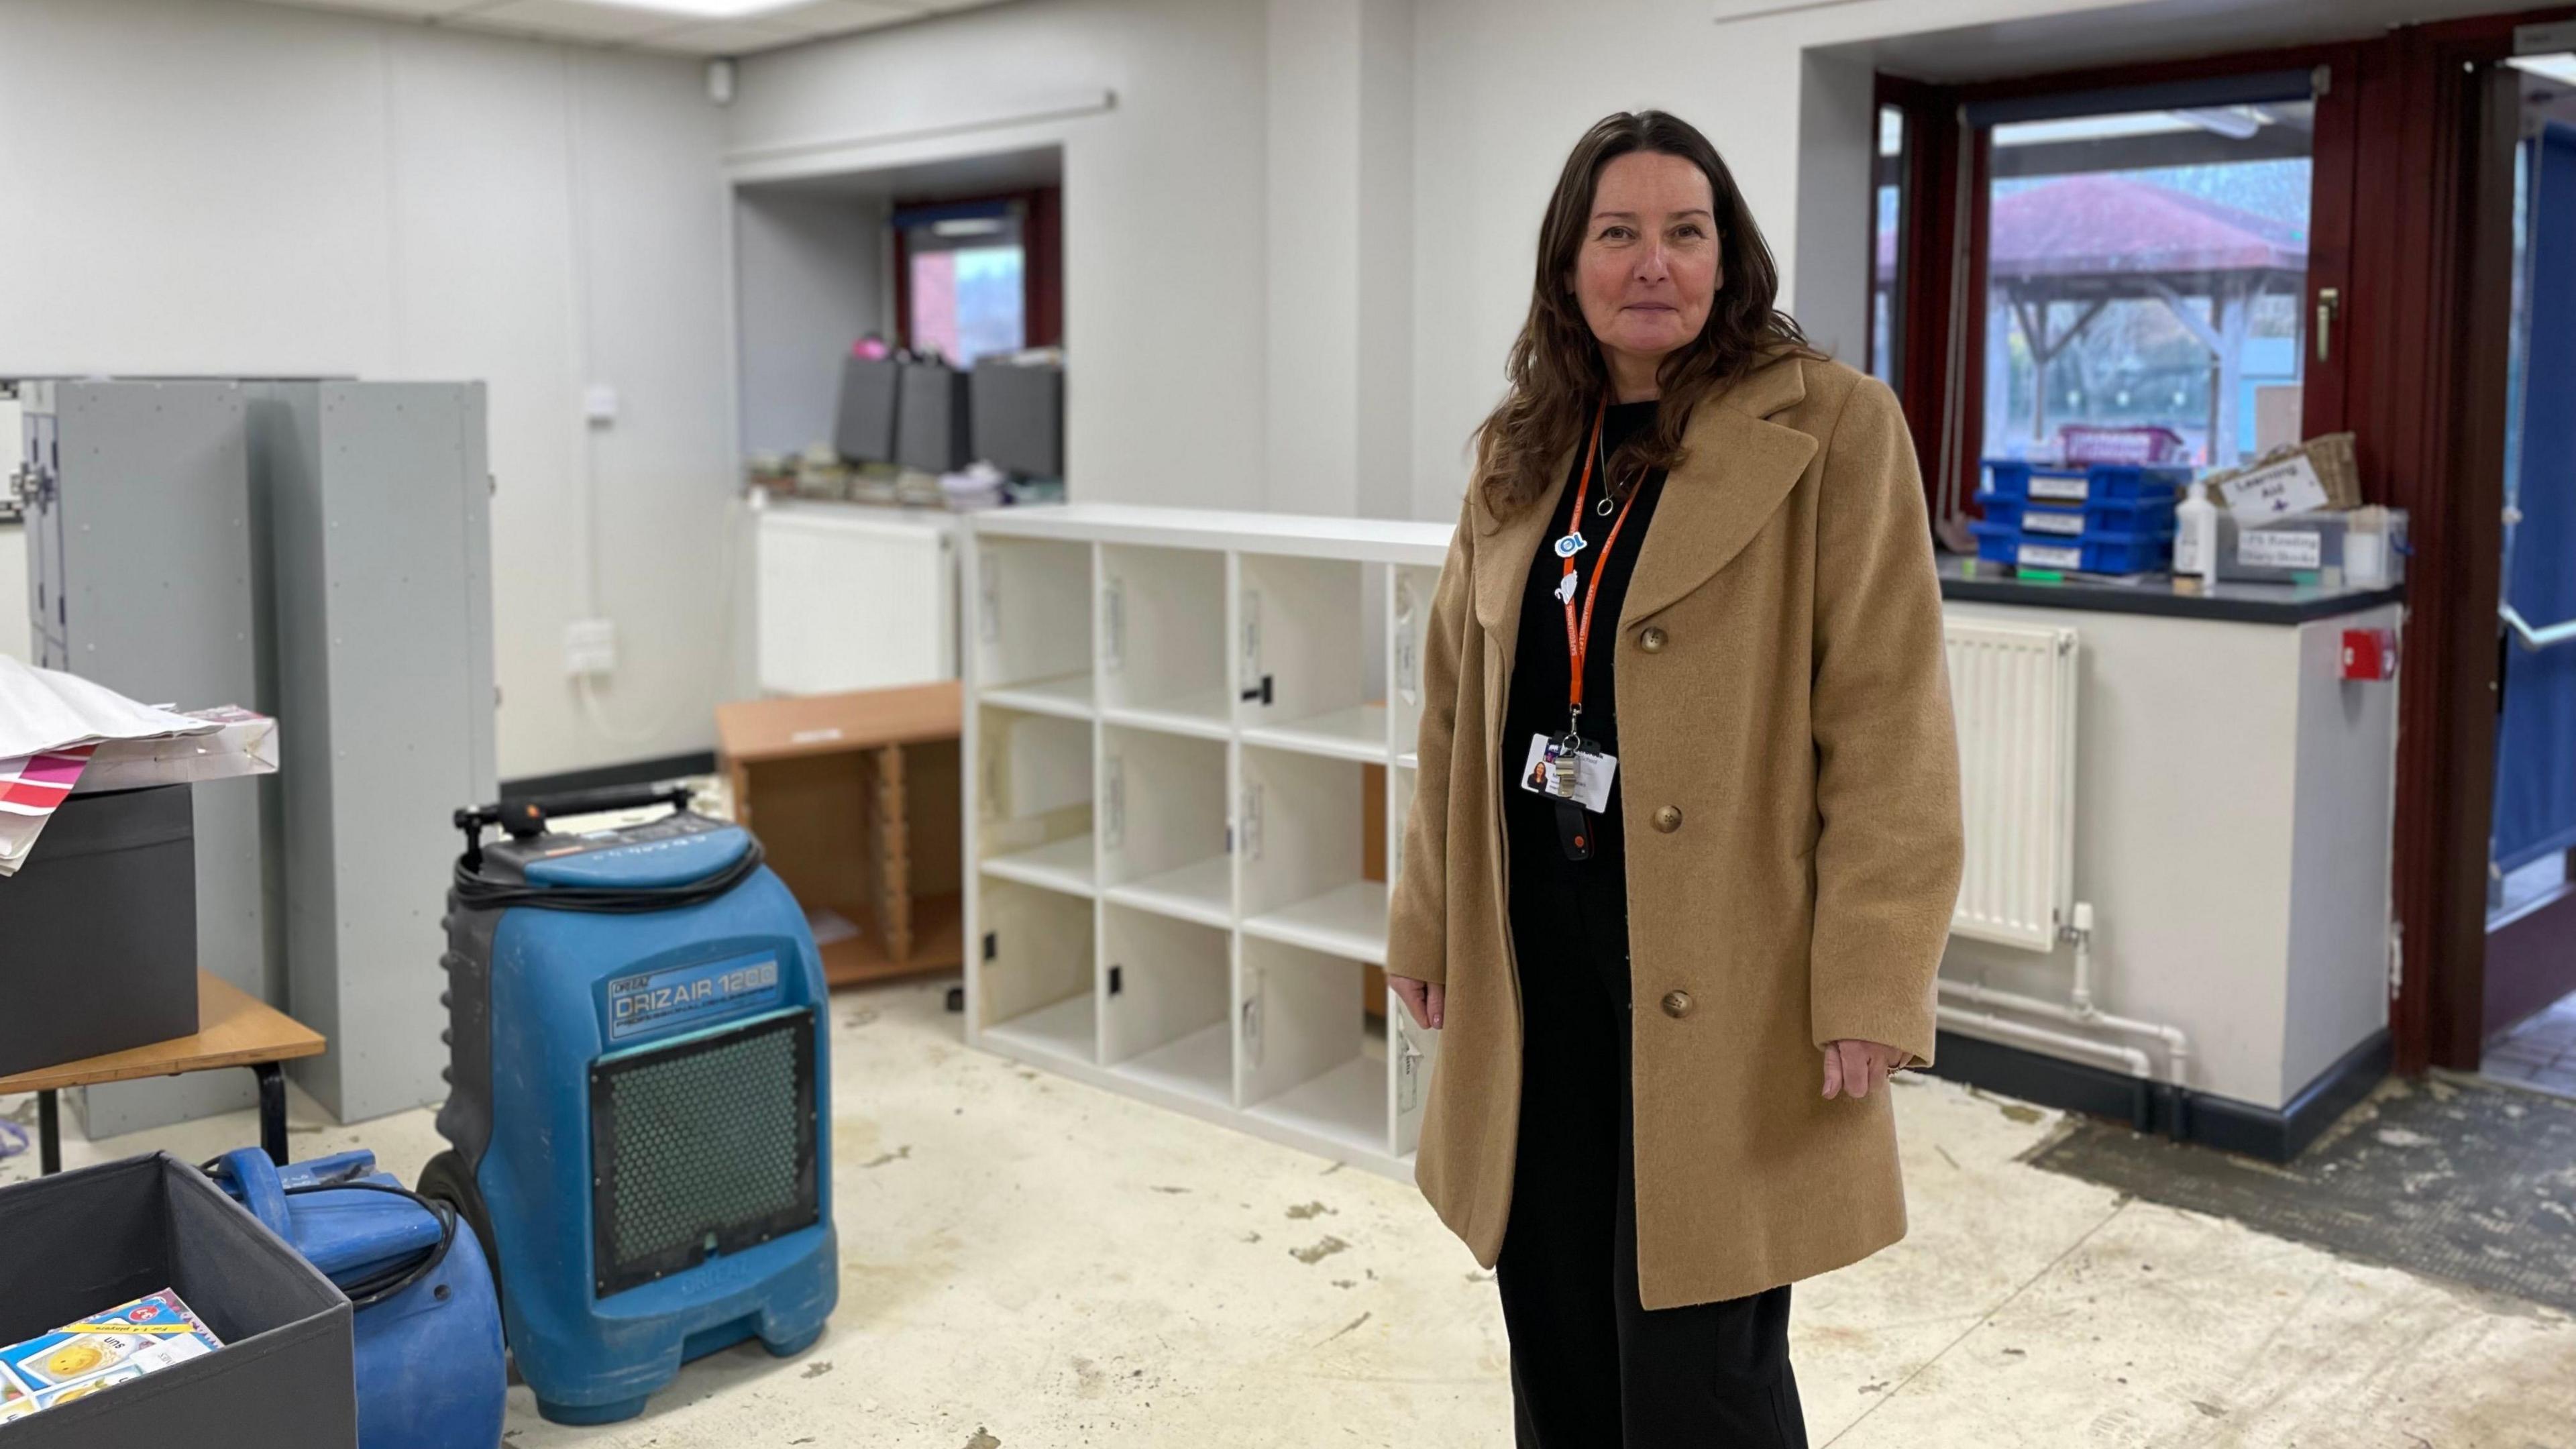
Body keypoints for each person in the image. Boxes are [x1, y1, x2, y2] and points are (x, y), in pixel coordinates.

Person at [1384, 110, 1964, 1448]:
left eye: (1686, 232)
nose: (1655, 263)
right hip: (1537, 953)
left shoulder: (1832, 427)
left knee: (1703, 1355)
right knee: (1558, 1318)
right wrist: (1427, 919)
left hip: (1726, 963)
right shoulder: (1522, 448)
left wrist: (1872, 979)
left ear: (1727, 256)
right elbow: (1455, 710)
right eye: (1620, 233)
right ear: (1569, 265)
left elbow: (1889, 728)